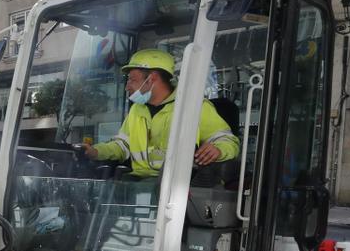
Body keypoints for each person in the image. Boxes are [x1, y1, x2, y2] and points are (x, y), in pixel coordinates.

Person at [79, 49, 239, 178]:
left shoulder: (194, 107)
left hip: (178, 191)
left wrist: (218, 149)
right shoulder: (137, 110)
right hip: (140, 186)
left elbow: (228, 141)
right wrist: (95, 152)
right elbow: (123, 146)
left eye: (132, 80)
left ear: (152, 78)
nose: (127, 86)